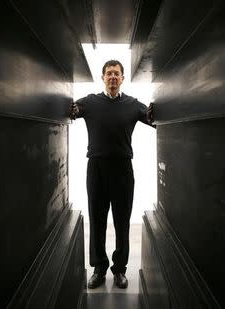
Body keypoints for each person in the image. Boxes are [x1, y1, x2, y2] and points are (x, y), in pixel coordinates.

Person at [70, 59, 155, 289]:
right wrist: (69, 107)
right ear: (103, 77)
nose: (113, 77)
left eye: (117, 73)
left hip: (123, 170)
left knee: (122, 222)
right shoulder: (90, 102)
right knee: (97, 220)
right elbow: (69, 110)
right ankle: (99, 269)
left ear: (123, 78)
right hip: (96, 169)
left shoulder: (132, 104)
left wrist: (163, 107)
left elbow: (154, 119)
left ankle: (119, 271)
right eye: (109, 73)